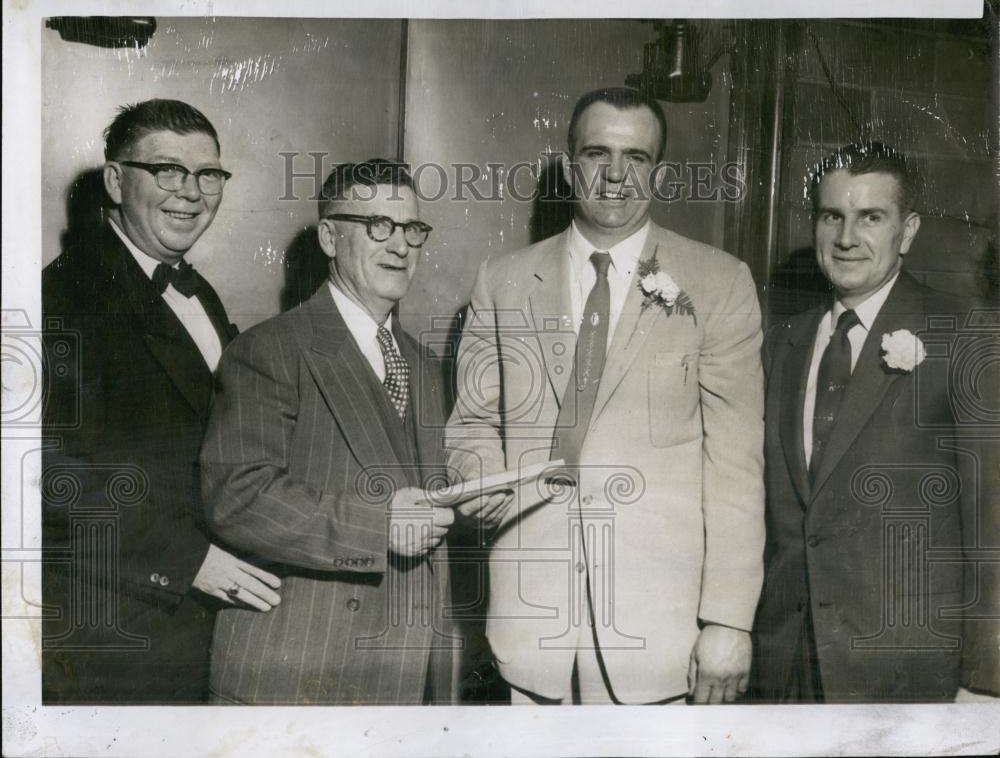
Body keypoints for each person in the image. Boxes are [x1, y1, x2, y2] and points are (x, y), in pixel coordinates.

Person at [446, 87, 766, 705]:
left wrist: (728, 620)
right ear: (570, 167)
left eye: (637, 158)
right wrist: (481, 479)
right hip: (531, 624)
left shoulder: (718, 282)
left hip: (656, 633)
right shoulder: (502, 280)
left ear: (660, 173)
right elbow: (472, 425)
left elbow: (736, 468)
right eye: (598, 154)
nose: (616, 175)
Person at [41, 98, 281, 704]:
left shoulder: (202, 294)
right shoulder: (61, 293)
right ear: (117, 181)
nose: (191, 192)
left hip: (197, 626)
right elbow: (42, 472)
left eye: (208, 175)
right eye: (168, 170)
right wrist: (187, 560)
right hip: (111, 634)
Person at [200, 159, 457, 705]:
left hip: (402, 678)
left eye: (412, 229)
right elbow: (238, 496)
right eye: (377, 225)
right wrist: (378, 526)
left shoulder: (428, 365)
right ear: (329, 237)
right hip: (298, 673)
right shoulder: (268, 349)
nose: (401, 245)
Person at [752, 141, 1000, 702]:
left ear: (906, 232)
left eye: (871, 217)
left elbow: (993, 517)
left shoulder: (963, 333)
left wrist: (987, 678)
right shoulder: (783, 343)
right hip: (787, 663)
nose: (846, 238)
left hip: (905, 668)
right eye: (831, 215)